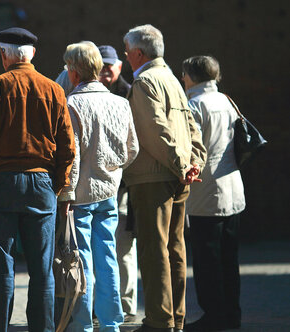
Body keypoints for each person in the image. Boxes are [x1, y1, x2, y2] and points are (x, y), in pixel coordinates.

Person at [0, 27, 76, 332]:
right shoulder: (53, 89)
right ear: (33, 54)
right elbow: (68, 146)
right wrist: (57, 184)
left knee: (1, 270)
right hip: (41, 183)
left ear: (4, 55)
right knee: (42, 271)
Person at [122, 24, 207, 332]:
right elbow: (189, 124)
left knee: (153, 249)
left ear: (138, 53)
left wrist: (182, 164)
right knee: (175, 249)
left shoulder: (144, 81)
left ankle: (160, 321)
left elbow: (154, 131)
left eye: (127, 52)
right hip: (179, 175)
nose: (126, 57)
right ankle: (176, 318)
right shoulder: (171, 78)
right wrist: (193, 162)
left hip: (153, 177)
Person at [60, 41, 139, 332]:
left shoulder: (71, 104)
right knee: (108, 257)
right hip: (109, 191)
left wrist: (67, 192)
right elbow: (132, 149)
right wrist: (113, 172)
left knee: (81, 261)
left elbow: (72, 156)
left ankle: (82, 324)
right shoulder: (121, 102)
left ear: (75, 71)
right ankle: (111, 323)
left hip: (79, 195)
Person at [181, 56, 245, 332]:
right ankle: (232, 314)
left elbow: (192, 149)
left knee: (207, 261)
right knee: (230, 259)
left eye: (184, 74)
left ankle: (214, 316)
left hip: (206, 194)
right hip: (233, 188)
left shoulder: (194, 105)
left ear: (192, 77)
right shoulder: (226, 101)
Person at [97, 44, 138, 322]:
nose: (106, 70)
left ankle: (126, 305)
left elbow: (133, 144)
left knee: (122, 248)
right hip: (99, 186)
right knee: (102, 248)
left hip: (122, 187)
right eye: (101, 65)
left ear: (119, 66)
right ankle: (105, 305)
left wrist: (118, 172)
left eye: (110, 65)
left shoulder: (130, 93)